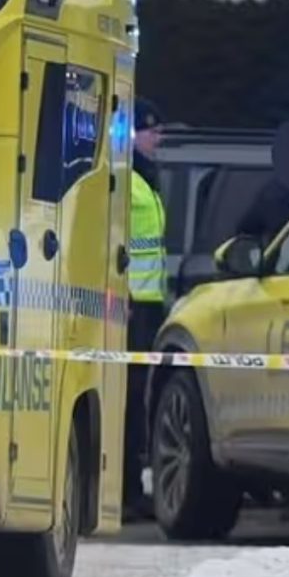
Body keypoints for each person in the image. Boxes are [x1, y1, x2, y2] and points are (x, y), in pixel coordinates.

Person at [124, 97, 167, 520]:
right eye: (152, 130)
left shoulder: (146, 179)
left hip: (150, 304)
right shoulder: (124, 179)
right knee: (129, 400)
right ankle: (127, 491)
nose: (159, 137)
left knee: (140, 399)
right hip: (130, 307)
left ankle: (132, 489)